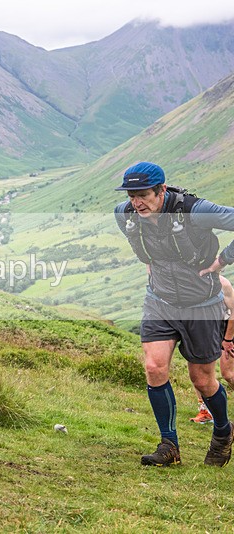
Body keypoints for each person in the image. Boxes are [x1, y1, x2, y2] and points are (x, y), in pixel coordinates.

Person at [114, 161, 234, 467]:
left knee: (202, 379)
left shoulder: (195, 210)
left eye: (142, 194)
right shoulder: (125, 214)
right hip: (160, 302)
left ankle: (222, 430)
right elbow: (148, 252)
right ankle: (169, 445)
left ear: (161, 189)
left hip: (202, 306)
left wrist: (222, 260)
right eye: (131, 195)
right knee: (154, 367)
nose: (136, 202)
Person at [190, 275, 234, 423]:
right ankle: (204, 410)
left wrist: (227, 339)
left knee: (228, 374)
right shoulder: (189, 283)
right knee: (198, 371)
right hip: (203, 329)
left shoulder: (223, 283)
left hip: (226, 330)